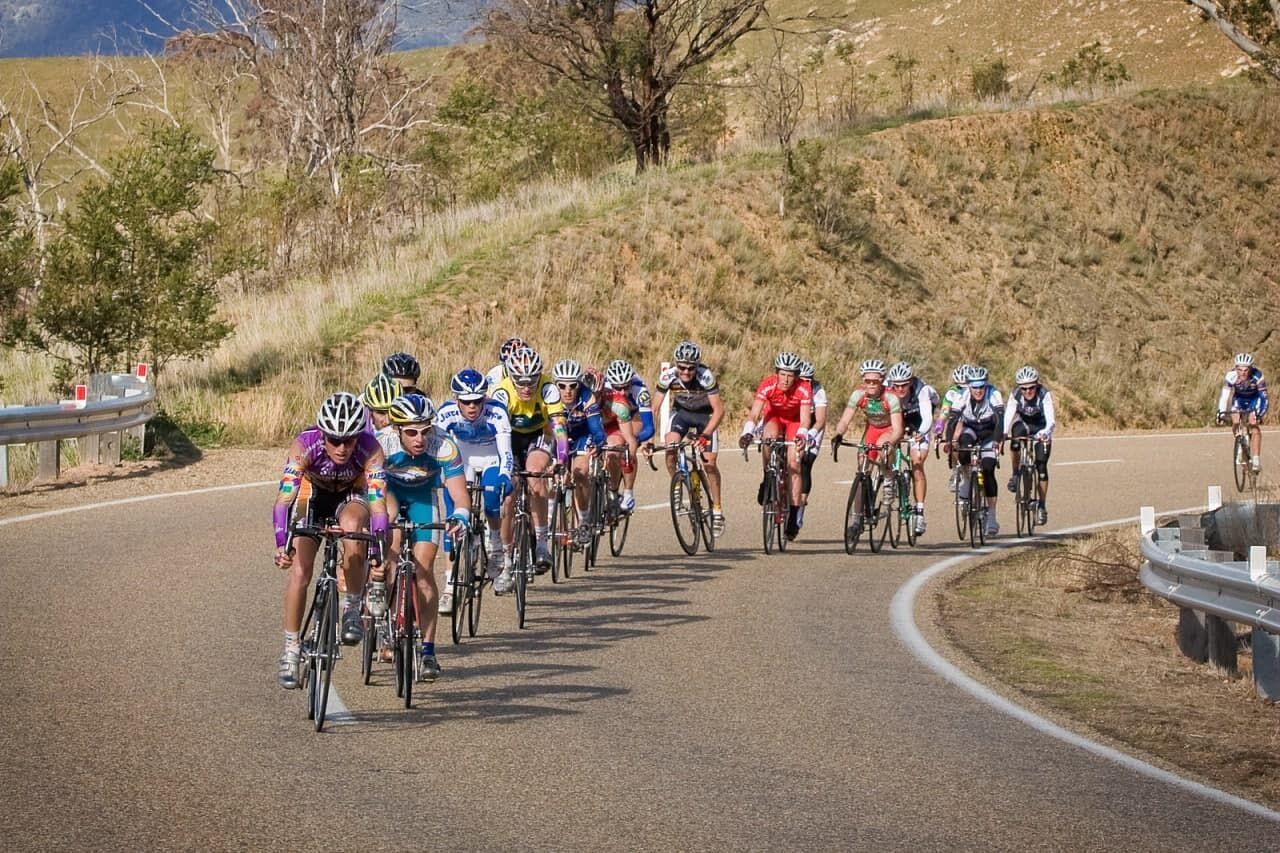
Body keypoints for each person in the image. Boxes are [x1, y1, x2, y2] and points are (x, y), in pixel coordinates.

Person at [272, 392, 388, 689]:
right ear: (322, 435)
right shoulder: (304, 445)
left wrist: (377, 547)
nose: (341, 447)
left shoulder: (371, 449)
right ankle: (291, 649)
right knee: (300, 570)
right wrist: (282, 543)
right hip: (314, 495)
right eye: (334, 440)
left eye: (349, 440)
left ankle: (352, 607)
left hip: (350, 494)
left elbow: (377, 505)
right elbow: (284, 502)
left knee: (353, 526)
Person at [381, 393, 471, 681]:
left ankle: (429, 650)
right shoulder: (382, 444)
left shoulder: (443, 445)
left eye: (424, 430)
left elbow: (459, 495)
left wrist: (460, 516)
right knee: (392, 560)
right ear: (397, 429)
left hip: (424, 499)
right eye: (410, 432)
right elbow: (369, 488)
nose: (419, 438)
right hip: (389, 494)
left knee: (423, 570)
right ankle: (388, 623)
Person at [489, 345, 568, 581]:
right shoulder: (501, 393)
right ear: (511, 378)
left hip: (539, 435)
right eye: (521, 382)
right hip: (508, 438)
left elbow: (560, 429)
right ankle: (506, 558)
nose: (526, 387)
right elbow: (496, 434)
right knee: (508, 495)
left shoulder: (548, 389)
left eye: (531, 381)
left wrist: (562, 459)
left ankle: (542, 543)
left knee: (535, 474)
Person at [434, 368, 515, 596]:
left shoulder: (497, 411)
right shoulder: (446, 412)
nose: (472, 407)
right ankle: (450, 585)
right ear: (456, 399)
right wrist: (436, 475)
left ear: (484, 398)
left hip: (491, 457)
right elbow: (437, 449)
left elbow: (506, 452)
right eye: (466, 402)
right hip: (463, 459)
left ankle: (496, 542)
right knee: (453, 510)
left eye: (477, 401)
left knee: (491, 499)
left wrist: (505, 476)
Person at [648, 340, 726, 533]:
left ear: (697, 366)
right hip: (681, 413)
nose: (685, 372)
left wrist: (706, 434)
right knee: (670, 446)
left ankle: (716, 510)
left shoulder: (706, 376)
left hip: (704, 416)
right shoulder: (668, 376)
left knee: (709, 463)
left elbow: (719, 410)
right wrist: (649, 439)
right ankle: (677, 484)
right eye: (682, 367)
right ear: (676, 364)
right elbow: (654, 408)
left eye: (691, 368)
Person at [740, 351, 812, 540]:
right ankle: (767, 475)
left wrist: (802, 435)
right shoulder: (767, 384)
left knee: (793, 464)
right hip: (775, 418)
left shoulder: (804, 388)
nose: (786, 379)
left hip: (795, 421)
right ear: (776, 373)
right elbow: (755, 414)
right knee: (767, 438)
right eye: (782, 374)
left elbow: (805, 420)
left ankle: (794, 514)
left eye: (790, 375)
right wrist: (747, 432)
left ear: (796, 376)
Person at [830, 359, 904, 536]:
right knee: (862, 469)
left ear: (882, 380)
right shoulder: (858, 395)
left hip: (889, 429)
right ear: (864, 380)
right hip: (871, 429)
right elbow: (845, 420)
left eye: (875, 382)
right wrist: (838, 434)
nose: (871, 385)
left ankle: (888, 478)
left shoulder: (891, 397)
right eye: (868, 381)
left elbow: (898, 429)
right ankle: (857, 519)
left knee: (882, 447)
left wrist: (889, 443)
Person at [943, 365, 1005, 537]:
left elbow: (1000, 420)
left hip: (990, 433)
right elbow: (953, 420)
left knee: (988, 470)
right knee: (962, 444)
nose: (978, 391)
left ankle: (991, 516)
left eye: (981, 386)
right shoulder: (961, 397)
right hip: (971, 430)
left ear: (986, 385)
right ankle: (966, 478)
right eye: (975, 387)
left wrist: (998, 441)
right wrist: (948, 441)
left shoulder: (994, 394)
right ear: (969, 386)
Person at [553, 358, 608, 545]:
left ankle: (583, 519)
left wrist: (599, 443)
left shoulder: (587, 396)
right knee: (550, 473)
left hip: (582, 435)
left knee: (580, 472)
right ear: (555, 385)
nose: (567, 391)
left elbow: (595, 426)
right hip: (557, 436)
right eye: (562, 385)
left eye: (572, 386)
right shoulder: (549, 396)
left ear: (579, 384)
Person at [886, 361, 939, 535]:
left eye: (904, 385)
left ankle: (920, 513)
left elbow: (927, 419)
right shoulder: (887, 388)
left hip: (919, 419)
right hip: (899, 417)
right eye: (897, 385)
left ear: (911, 382)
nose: (900, 389)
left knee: (917, 464)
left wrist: (921, 433)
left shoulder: (921, 390)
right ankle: (889, 478)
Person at [596, 360, 655, 513]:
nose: (622, 392)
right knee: (612, 449)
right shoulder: (603, 388)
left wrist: (636, 442)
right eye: (617, 388)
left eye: (625, 387)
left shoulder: (640, 391)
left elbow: (649, 427)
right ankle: (611, 490)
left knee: (627, 446)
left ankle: (628, 493)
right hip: (612, 417)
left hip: (633, 417)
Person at [1003, 365, 1056, 525]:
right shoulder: (1016, 395)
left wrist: (1045, 433)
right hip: (1024, 425)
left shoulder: (1043, 394)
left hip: (1042, 428)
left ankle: (1041, 505)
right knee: (1015, 437)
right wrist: (1003, 434)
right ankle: (1015, 474)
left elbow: (1051, 420)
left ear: (1036, 384)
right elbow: (1008, 416)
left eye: (1031, 387)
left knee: (1041, 467)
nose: (1028, 391)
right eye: (1024, 388)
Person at [1217, 352, 1268, 474]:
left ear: (1250, 369)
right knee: (1235, 421)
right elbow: (1224, 396)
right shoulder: (1231, 376)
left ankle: (1256, 459)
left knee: (1253, 424)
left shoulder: (1258, 376)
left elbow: (1264, 397)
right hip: (1239, 400)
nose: (1243, 373)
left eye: (1246, 370)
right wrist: (1220, 413)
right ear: (1235, 368)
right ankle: (1240, 445)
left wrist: (1260, 414)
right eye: (1239, 370)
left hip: (1254, 400)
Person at [795, 360, 828, 531]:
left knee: (805, 463)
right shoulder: (792, 388)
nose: (806, 384)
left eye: (809, 380)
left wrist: (811, 434)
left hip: (814, 426)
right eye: (802, 380)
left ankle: (800, 507)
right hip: (797, 422)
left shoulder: (818, 390)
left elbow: (821, 420)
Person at [936, 363, 972, 493]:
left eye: (966, 386)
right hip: (958, 419)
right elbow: (945, 412)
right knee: (954, 439)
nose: (963, 389)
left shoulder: (978, 390)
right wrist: (939, 427)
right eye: (959, 386)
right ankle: (956, 469)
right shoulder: (952, 393)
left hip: (973, 421)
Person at [361, 372, 402, 457]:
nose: (387, 421)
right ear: (370, 411)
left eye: (392, 412)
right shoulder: (361, 429)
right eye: (381, 413)